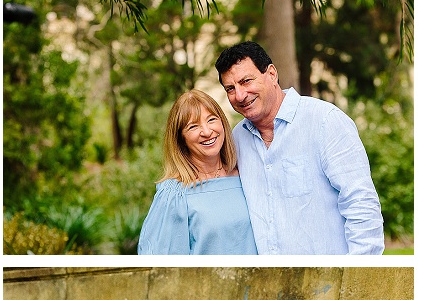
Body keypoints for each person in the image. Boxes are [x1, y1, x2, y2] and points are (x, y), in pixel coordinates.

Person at [216, 41, 384, 254]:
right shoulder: (236, 139)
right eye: (230, 89)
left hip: (329, 279)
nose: (239, 95)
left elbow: (362, 205)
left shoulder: (325, 121)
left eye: (246, 81)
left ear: (271, 74)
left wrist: (359, 277)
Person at [138, 91, 258, 254]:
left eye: (211, 120)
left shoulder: (247, 175)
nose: (207, 131)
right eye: (193, 126)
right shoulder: (174, 194)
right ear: (181, 139)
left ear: (222, 122)